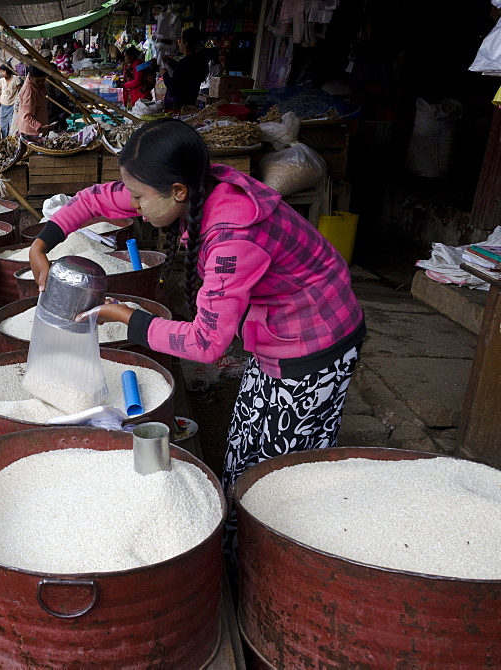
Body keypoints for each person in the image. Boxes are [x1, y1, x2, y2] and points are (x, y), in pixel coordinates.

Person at [28, 119, 365, 564]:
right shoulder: (184, 188)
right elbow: (95, 200)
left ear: (178, 192)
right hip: (274, 334)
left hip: (315, 342)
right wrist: (42, 243)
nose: (131, 205)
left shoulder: (231, 237)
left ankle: (275, 561)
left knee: (278, 474)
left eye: (139, 197)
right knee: (244, 446)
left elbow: (207, 344)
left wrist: (126, 317)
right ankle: (235, 547)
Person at [164, 28, 210, 110]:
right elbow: (183, 72)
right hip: (190, 102)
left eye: (180, 40)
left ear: (185, 44)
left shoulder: (186, 62)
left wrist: (164, 74)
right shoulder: (197, 60)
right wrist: (170, 62)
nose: (179, 43)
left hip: (179, 106)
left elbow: (172, 86)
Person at [16, 67, 54, 136]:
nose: (41, 83)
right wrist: (39, 126)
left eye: (43, 80)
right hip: (31, 132)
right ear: (31, 77)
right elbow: (27, 116)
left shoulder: (39, 86)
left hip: (39, 129)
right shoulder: (29, 91)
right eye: (38, 81)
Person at [0, 64, 20, 137]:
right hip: (4, 104)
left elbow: (20, 88)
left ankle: (11, 139)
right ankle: (4, 139)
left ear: (8, 71)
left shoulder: (15, 79)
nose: (1, 73)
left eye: (3, 72)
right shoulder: (1, 80)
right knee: (3, 125)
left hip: (13, 105)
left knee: (12, 124)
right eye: (1, 72)